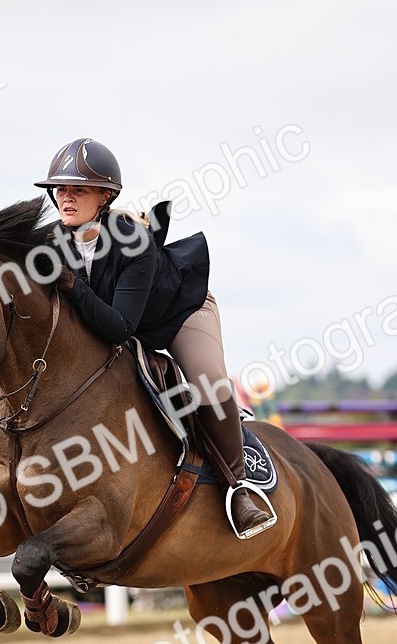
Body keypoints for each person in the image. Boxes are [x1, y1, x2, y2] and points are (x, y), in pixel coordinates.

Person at [35, 137, 271, 538]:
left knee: (208, 379)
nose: (66, 197)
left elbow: (120, 328)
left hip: (178, 313)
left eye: (79, 189)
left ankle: (239, 487)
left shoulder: (134, 242)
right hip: (117, 320)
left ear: (106, 196)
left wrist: (72, 284)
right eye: (60, 189)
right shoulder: (48, 241)